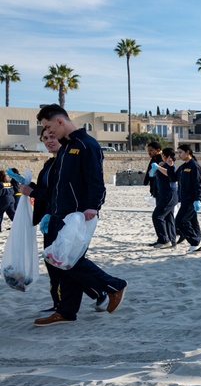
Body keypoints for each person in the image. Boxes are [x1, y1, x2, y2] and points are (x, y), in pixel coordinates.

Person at [19, 104, 127, 326]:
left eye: (49, 127)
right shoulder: (66, 149)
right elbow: (57, 186)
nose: (49, 134)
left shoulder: (87, 145)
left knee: (70, 260)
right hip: (59, 214)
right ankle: (67, 311)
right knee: (62, 262)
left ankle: (114, 285)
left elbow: (96, 180)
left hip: (78, 215)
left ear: (60, 121)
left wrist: (93, 206)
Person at [17, 130, 109, 315]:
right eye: (45, 138)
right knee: (58, 263)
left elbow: (58, 193)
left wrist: (32, 192)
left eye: (53, 137)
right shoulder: (50, 163)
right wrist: (29, 187)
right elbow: (47, 189)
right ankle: (87, 297)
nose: (49, 141)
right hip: (49, 218)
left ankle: (92, 294)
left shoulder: (66, 163)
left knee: (63, 262)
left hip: (64, 219)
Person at [175, 144, 201, 253]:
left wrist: (198, 199)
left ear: (188, 152)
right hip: (184, 199)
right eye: (178, 153)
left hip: (191, 199)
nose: (179, 155)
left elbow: (198, 184)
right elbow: (173, 177)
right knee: (193, 221)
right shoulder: (183, 167)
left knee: (180, 221)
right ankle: (198, 241)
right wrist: (167, 166)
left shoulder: (194, 166)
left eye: (180, 152)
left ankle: (195, 241)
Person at [149, 147, 179, 248]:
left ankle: (164, 240)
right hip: (163, 194)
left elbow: (170, 174)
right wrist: (157, 168)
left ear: (165, 156)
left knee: (157, 216)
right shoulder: (163, 165)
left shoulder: (170, 165)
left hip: (169, 194)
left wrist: (158, 167)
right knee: (168, 217)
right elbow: (151, 175)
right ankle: (171, 240)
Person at [142, 141, 163, 245]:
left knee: (159, 215)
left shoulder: (160, 159)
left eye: (151, 150)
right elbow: (148, 172)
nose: (149, 153)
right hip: (155, 189)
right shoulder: (153, 159)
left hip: (161, 190)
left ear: (157, 150)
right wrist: (145, 182)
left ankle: (165, 238)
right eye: (148, 151)